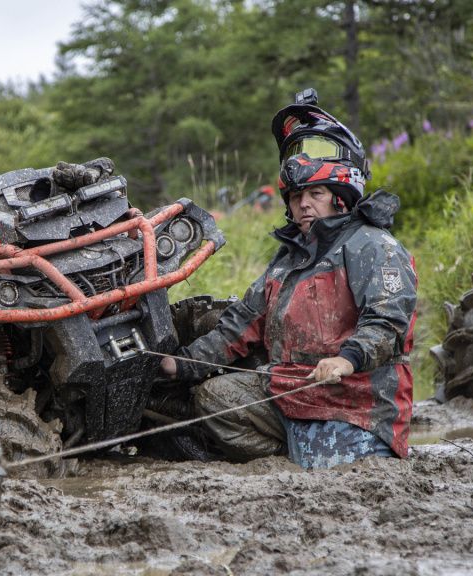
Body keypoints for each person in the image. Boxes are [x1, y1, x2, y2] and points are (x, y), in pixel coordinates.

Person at [159, 92, 417, 468]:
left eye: (316, 194)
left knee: (340, 479)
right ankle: (283, 459)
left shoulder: (374, 246)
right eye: (297, 197)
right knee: (214, 397)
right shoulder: (288, 259)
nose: (304, 205)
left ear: (341, 197)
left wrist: (346, 360)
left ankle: (312, 457)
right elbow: (239, 325)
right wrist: (181, 364)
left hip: (355, 399)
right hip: (288, 391)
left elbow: (388, 320)